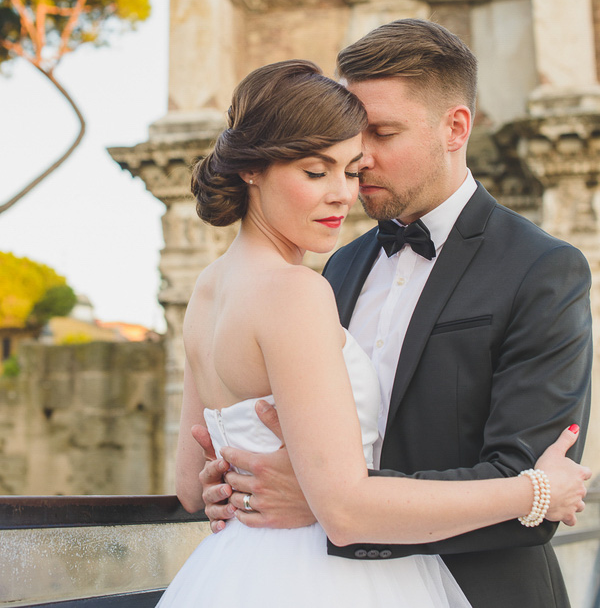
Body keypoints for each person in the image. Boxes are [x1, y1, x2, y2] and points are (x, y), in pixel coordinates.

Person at [158, 58, 590, 608]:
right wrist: (540, 491)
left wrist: (237, 481)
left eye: (352, 166)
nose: (344, 192)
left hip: (241, 573)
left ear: (457, 127)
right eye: (318, 172)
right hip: (330, 579)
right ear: (252, 168)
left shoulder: (208, 288)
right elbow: (344, 508)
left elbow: (192, 487)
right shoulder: (311, 284)